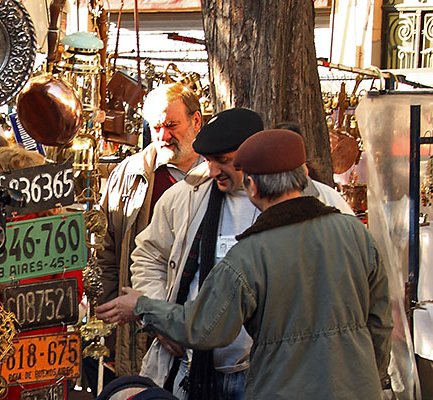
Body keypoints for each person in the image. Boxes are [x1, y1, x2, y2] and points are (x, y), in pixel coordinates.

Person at [97, 129, 393, 399]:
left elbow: (203, 327)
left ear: (251, 186)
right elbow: (380, 319)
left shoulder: (249, 255)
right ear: (303, 175)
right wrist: (370, 375)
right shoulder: (355, 232)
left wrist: (142, 306)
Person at [98, 82, 205, 376]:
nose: (163, 136)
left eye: (172, 125)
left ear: (196, 121)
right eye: (156, 127)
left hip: (198, 322)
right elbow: (106, 252)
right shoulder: (128, 174)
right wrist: (112, 317)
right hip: (135, 324)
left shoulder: (216, 177)